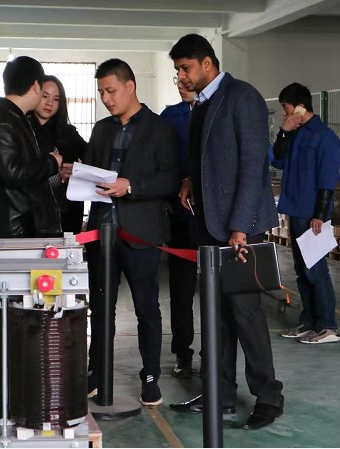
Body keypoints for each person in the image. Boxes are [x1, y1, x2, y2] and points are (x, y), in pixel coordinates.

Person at [168, 34, 284, 430]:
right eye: (178, 70)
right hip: (210, 225)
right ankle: (220, 393)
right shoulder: (201, 104)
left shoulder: (242, 97)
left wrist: (239, 226)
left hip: (239, 229)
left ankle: (269, 397)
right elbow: (202, 158)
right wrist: (188, 180)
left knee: (245, 314)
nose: (182, 76)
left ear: (207, 63)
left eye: (186, 68)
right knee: (216, 315)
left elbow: (254, 166)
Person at [84, 58, 178, 406]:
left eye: (110, 91)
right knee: (101, 308)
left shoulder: (159, 129)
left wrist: (132, 186)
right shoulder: (101, 130)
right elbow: (91, 173)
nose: (106, 99)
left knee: (146, 309)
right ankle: (97, 373)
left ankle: (150, 376)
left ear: (130, 86)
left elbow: (170, 179)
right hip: (102, 234)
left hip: (140, 234)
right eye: (101, 93)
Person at [273, 82, 340, 344]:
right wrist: (283, 131)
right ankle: (309, 321)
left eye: (286, 107)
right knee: (302, 270)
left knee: (316, 270)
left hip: (312, 214)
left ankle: (328, 325)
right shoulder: (295, 134)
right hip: (295, 210)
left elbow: (327, 180)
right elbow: (277, 159)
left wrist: (320, 215)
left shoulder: (325, 137)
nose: (284, 112)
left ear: (300, 107)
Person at [0, 56, 63, 237]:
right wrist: (51, 163)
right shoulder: (3, 122)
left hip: (21, 226)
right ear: (36, 86)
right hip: (14, 230)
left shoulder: (15, 118)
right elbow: (13, 173)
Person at [160, 77, 198, 378]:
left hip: (214, 219)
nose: (181, 82)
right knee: (182, 292)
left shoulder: (217, 111)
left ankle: (216, 357)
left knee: (219, 294)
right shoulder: (170, 117)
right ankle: (183, 353)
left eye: (187, 73)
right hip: (180, 218)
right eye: (178, 76)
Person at [29, 75, 88, 234]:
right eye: (45, 96)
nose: (50, 103)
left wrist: (78, 169)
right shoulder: (23, 131)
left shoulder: (68, 133)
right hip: (32, 213)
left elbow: (93, 157)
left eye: (56, 99)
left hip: (67, 211)